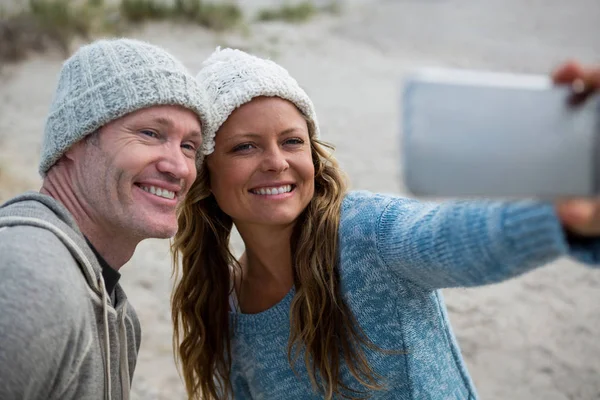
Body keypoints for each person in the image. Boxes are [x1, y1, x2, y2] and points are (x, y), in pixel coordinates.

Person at [171, 48, 600, 400]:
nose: (277, 162)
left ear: (313, 157)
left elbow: (448, 235)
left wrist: (557, 215)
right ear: (206, 176)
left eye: (292, 141)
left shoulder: (368, 232)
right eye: (245, 147)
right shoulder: (223, 301)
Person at [0, 38, 208, 400]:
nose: (179, 167)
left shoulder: (116, 310)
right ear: (73, 141)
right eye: (150, 134)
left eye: (189, 146)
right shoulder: (30, 274)